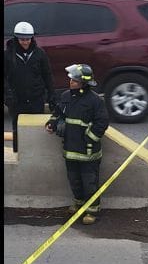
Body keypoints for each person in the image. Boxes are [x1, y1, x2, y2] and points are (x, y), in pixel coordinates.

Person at [46, 64, 108, 224]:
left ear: (83, 83)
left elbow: (102, 122)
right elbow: (58, 113)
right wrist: (52, 123)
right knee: (74, 179)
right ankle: (79, 203)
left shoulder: (95, 101)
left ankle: (92, 210)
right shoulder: (66, 96)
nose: (70, 82)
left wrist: (89, 138)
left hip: (88, 152)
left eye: (74, 80)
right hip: (70, 149)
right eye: (71, 79)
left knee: (90, 182)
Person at [4, 21, 54, 153]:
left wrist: (51, 95)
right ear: (16, 38)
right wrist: (8, 95)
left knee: (36, 129)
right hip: (16, 101)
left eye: (27, 39)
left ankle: (37, 154)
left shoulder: (40, 54)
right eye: (22, 39)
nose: (25, 42)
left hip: (36, 100)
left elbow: (47, 75)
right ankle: (18, 153)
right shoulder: (8, 55)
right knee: (17, 130)